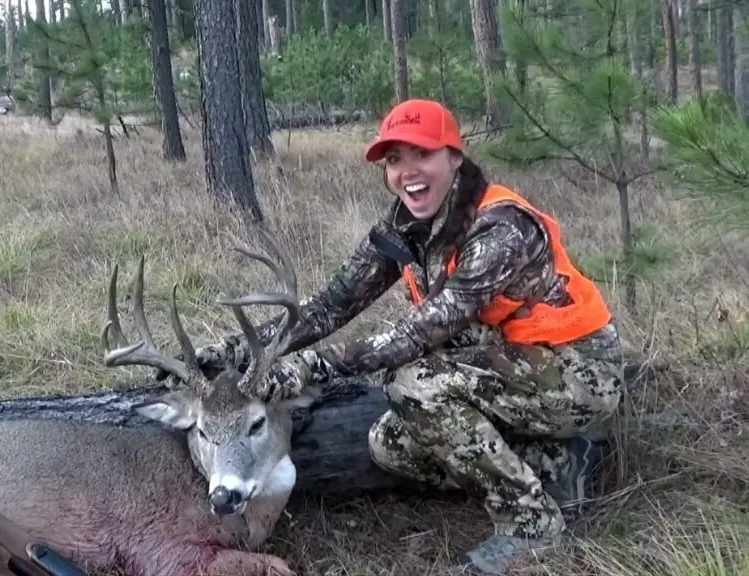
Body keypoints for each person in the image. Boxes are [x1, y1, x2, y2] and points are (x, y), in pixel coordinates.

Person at [162, 99, 624, 574]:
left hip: (576, 371)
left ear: (455, 158)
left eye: (421, 154)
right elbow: (329, 306)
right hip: (505, 366)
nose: (407, 172)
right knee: (392, 445)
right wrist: (228, 351)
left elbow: (424, 330)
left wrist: (308, 367)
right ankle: (556, 463)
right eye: (394, 160)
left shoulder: (499, 227)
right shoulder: (404, 226)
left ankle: (532, 528)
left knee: (413, 383)